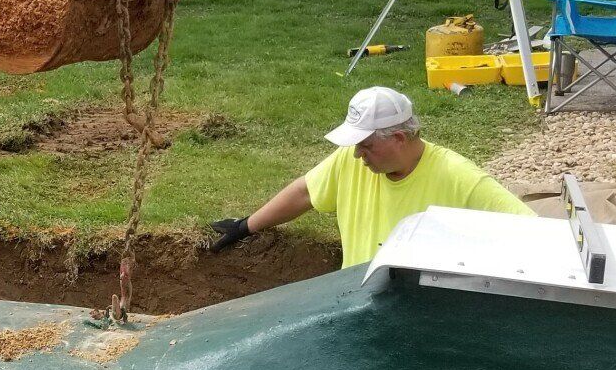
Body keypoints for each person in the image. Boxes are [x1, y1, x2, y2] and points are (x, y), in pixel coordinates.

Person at [209, 86, 532, 267]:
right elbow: (305, 193)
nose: (355, 155)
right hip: (357, 304)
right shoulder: (352, 162)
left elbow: (530, 230)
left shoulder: (459, 178)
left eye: (365, 145)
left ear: (399, 139)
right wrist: (245, 226)